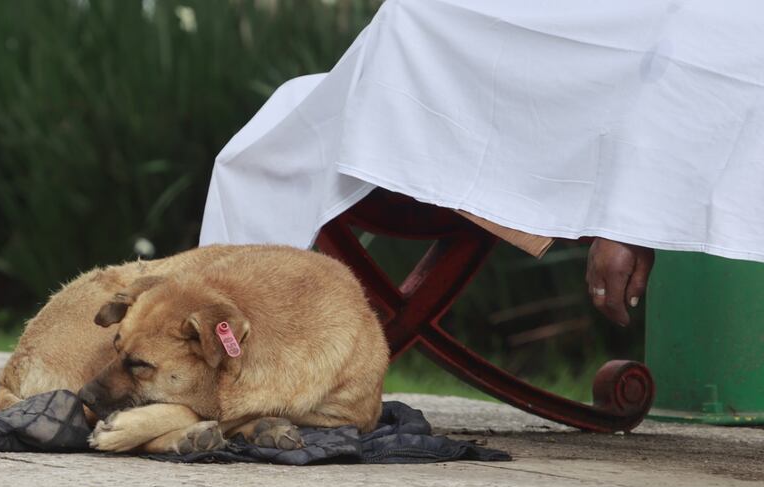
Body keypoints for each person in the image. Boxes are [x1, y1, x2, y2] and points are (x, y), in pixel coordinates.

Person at [199, 0, 763, 327]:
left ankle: (216, 348)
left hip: (500, 114)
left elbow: (691, 59)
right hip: (434, 100)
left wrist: (627, 218)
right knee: (267, 147)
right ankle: (208, 340)